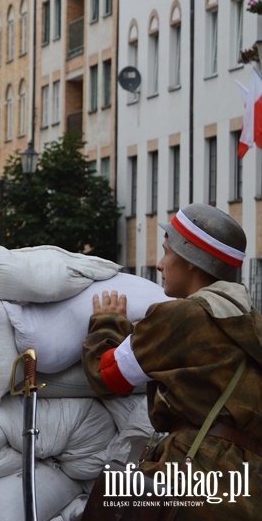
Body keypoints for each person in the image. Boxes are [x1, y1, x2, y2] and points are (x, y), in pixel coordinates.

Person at [83, 203, 261, 519]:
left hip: (194, 483)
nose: (160, 265)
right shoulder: (254, 323)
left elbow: (108, 377)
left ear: (192, 261)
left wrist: (107, 323)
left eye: (167, 252)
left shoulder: (182, 316)